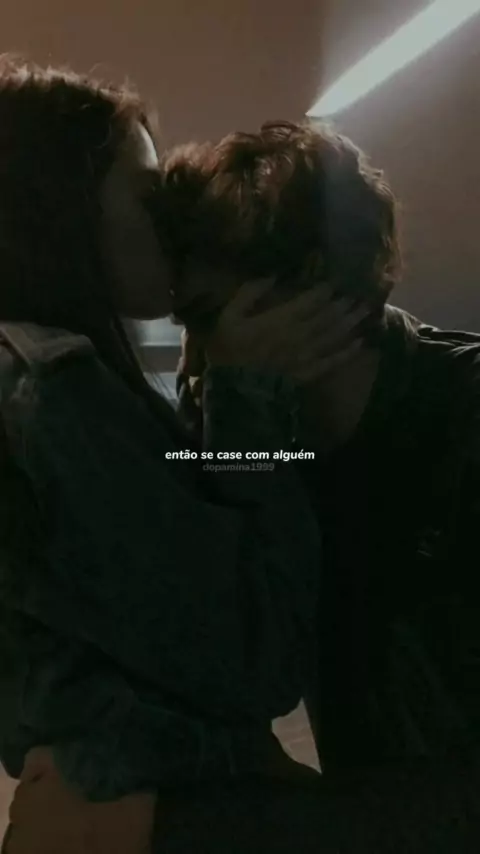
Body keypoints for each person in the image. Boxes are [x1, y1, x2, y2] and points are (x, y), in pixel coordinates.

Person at [0, 64, 367, 853]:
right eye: (145, 193)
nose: (169, 221)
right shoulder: (54, 393)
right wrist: (247, 395)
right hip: (166, 815)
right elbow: (257, 659)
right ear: (62, 206)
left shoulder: (42, 380)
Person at [149, 119, 480, 849]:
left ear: (312, 287)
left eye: (211, 318)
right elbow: (231, 654)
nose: (198, 359)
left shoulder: (466, 417)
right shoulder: (252, 434)